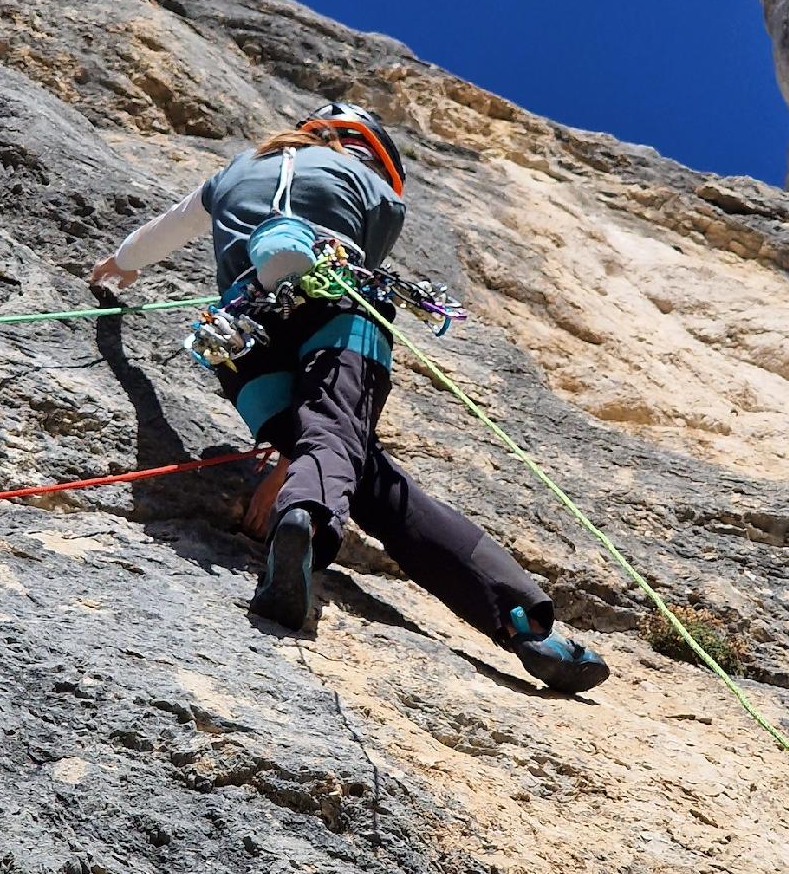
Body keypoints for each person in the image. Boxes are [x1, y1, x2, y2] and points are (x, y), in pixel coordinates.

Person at [90, 103, 609, 693]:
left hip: (238, 338)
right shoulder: (378, 193)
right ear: (377, 156)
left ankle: (516, 621)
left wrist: (117, 267)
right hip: (336, 306)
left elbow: (165, 229)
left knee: (363, 478)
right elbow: (352, 271)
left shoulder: (235, 170)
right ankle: (514, 617)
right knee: (339, 440)